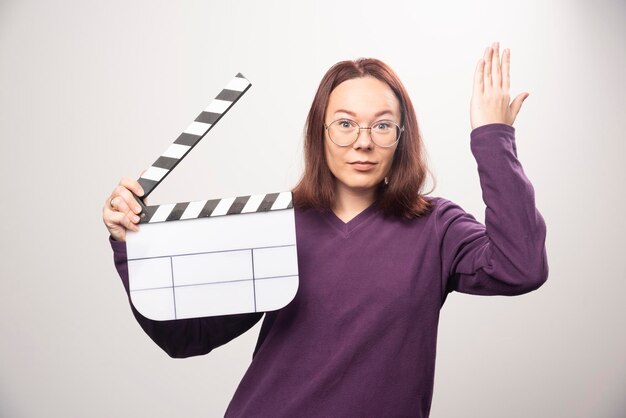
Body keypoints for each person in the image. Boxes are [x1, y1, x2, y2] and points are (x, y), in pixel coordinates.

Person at [102, 41, 548, 417]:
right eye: (345, 124)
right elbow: (185, 338)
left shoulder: (437, 228)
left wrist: (492, 136)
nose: (363, 141)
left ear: (401, 136)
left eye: (382, 125)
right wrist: (131, 245)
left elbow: (520, 267)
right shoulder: (275, 226)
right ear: (321, 132)